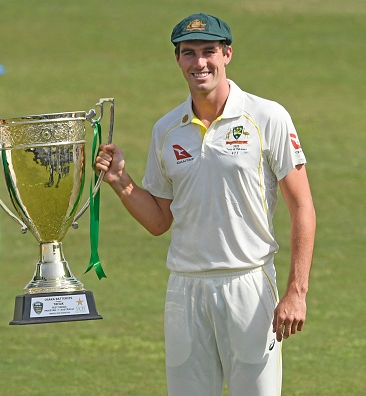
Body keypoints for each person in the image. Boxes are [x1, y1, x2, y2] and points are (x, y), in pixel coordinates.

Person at [95, 13, 316, 396]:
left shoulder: (267, 117)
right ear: (178, 60)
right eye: (189, 53)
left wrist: (297, 291)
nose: (199, 63)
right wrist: (119, 180)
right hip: (185, 289)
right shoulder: (167, 129)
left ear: (227, 54)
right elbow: (160, 220)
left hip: (249, 282)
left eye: (208, 52)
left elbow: (303, 207)